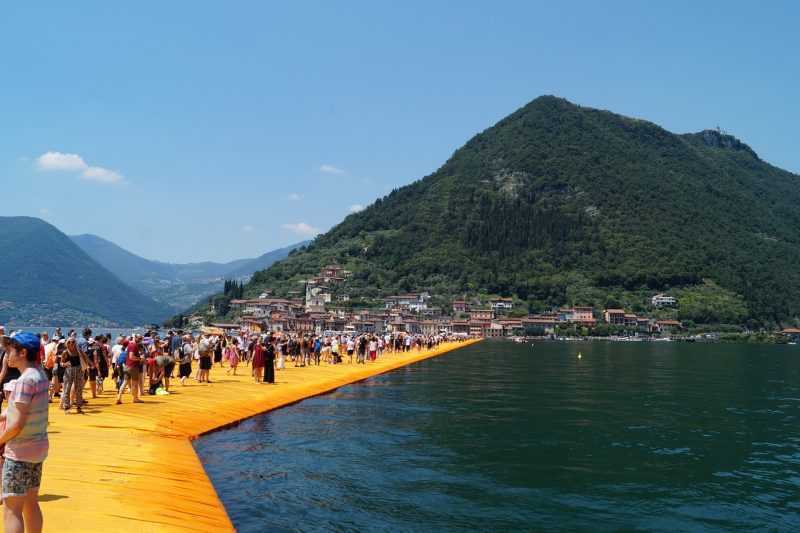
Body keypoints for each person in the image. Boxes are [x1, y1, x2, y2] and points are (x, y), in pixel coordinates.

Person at [0, 332, 49, 533]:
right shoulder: (40, 374)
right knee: (31, 503)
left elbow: (17, 425)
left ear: (22, 352)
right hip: (37, 450)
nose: (6, 354)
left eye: (10, 350)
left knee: (11, 508)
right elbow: (23, 411)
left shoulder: (24, 382)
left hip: (19, 451)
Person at [59, 338, 86, 414]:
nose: (71, 343)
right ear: (67, 343)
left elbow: (85, 357)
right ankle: (66, 407)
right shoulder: (65, 352)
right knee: (67, 389)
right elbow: (61, 363)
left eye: (73, 342)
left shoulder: (78, 351)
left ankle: (79, 407)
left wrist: (89, 365)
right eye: (69, 342)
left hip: (78, 370)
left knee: (79, 389)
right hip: (69, 371)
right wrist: (65, 364)